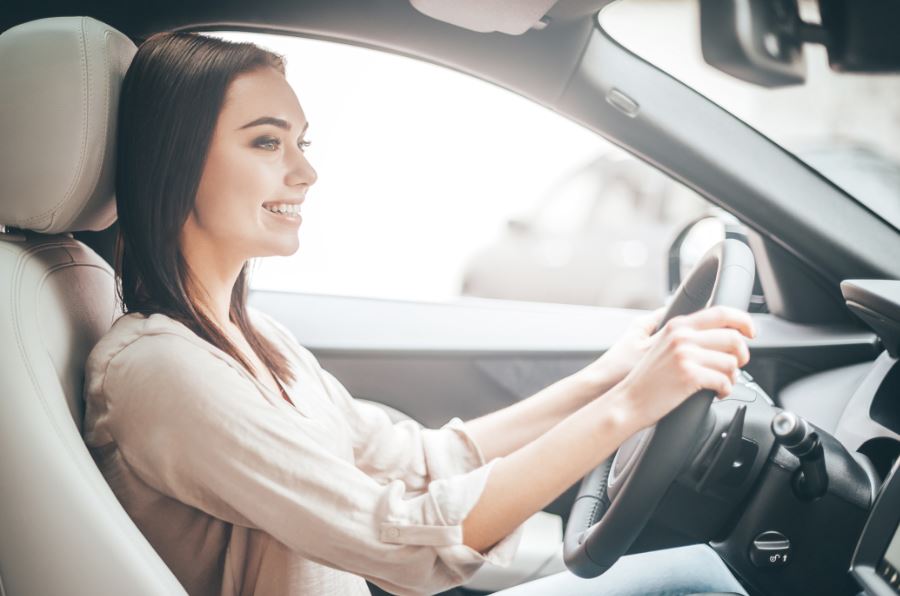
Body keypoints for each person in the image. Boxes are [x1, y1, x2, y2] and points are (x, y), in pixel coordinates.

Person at [82, 31, 753, 596]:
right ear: (177, 159)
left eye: (302, 144)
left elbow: (423, 459)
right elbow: (403, 540)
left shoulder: (258, 341)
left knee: (696, 576)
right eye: (266, 142)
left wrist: (608, 376)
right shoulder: (160, 370)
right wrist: (629, 407)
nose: (305, 174)